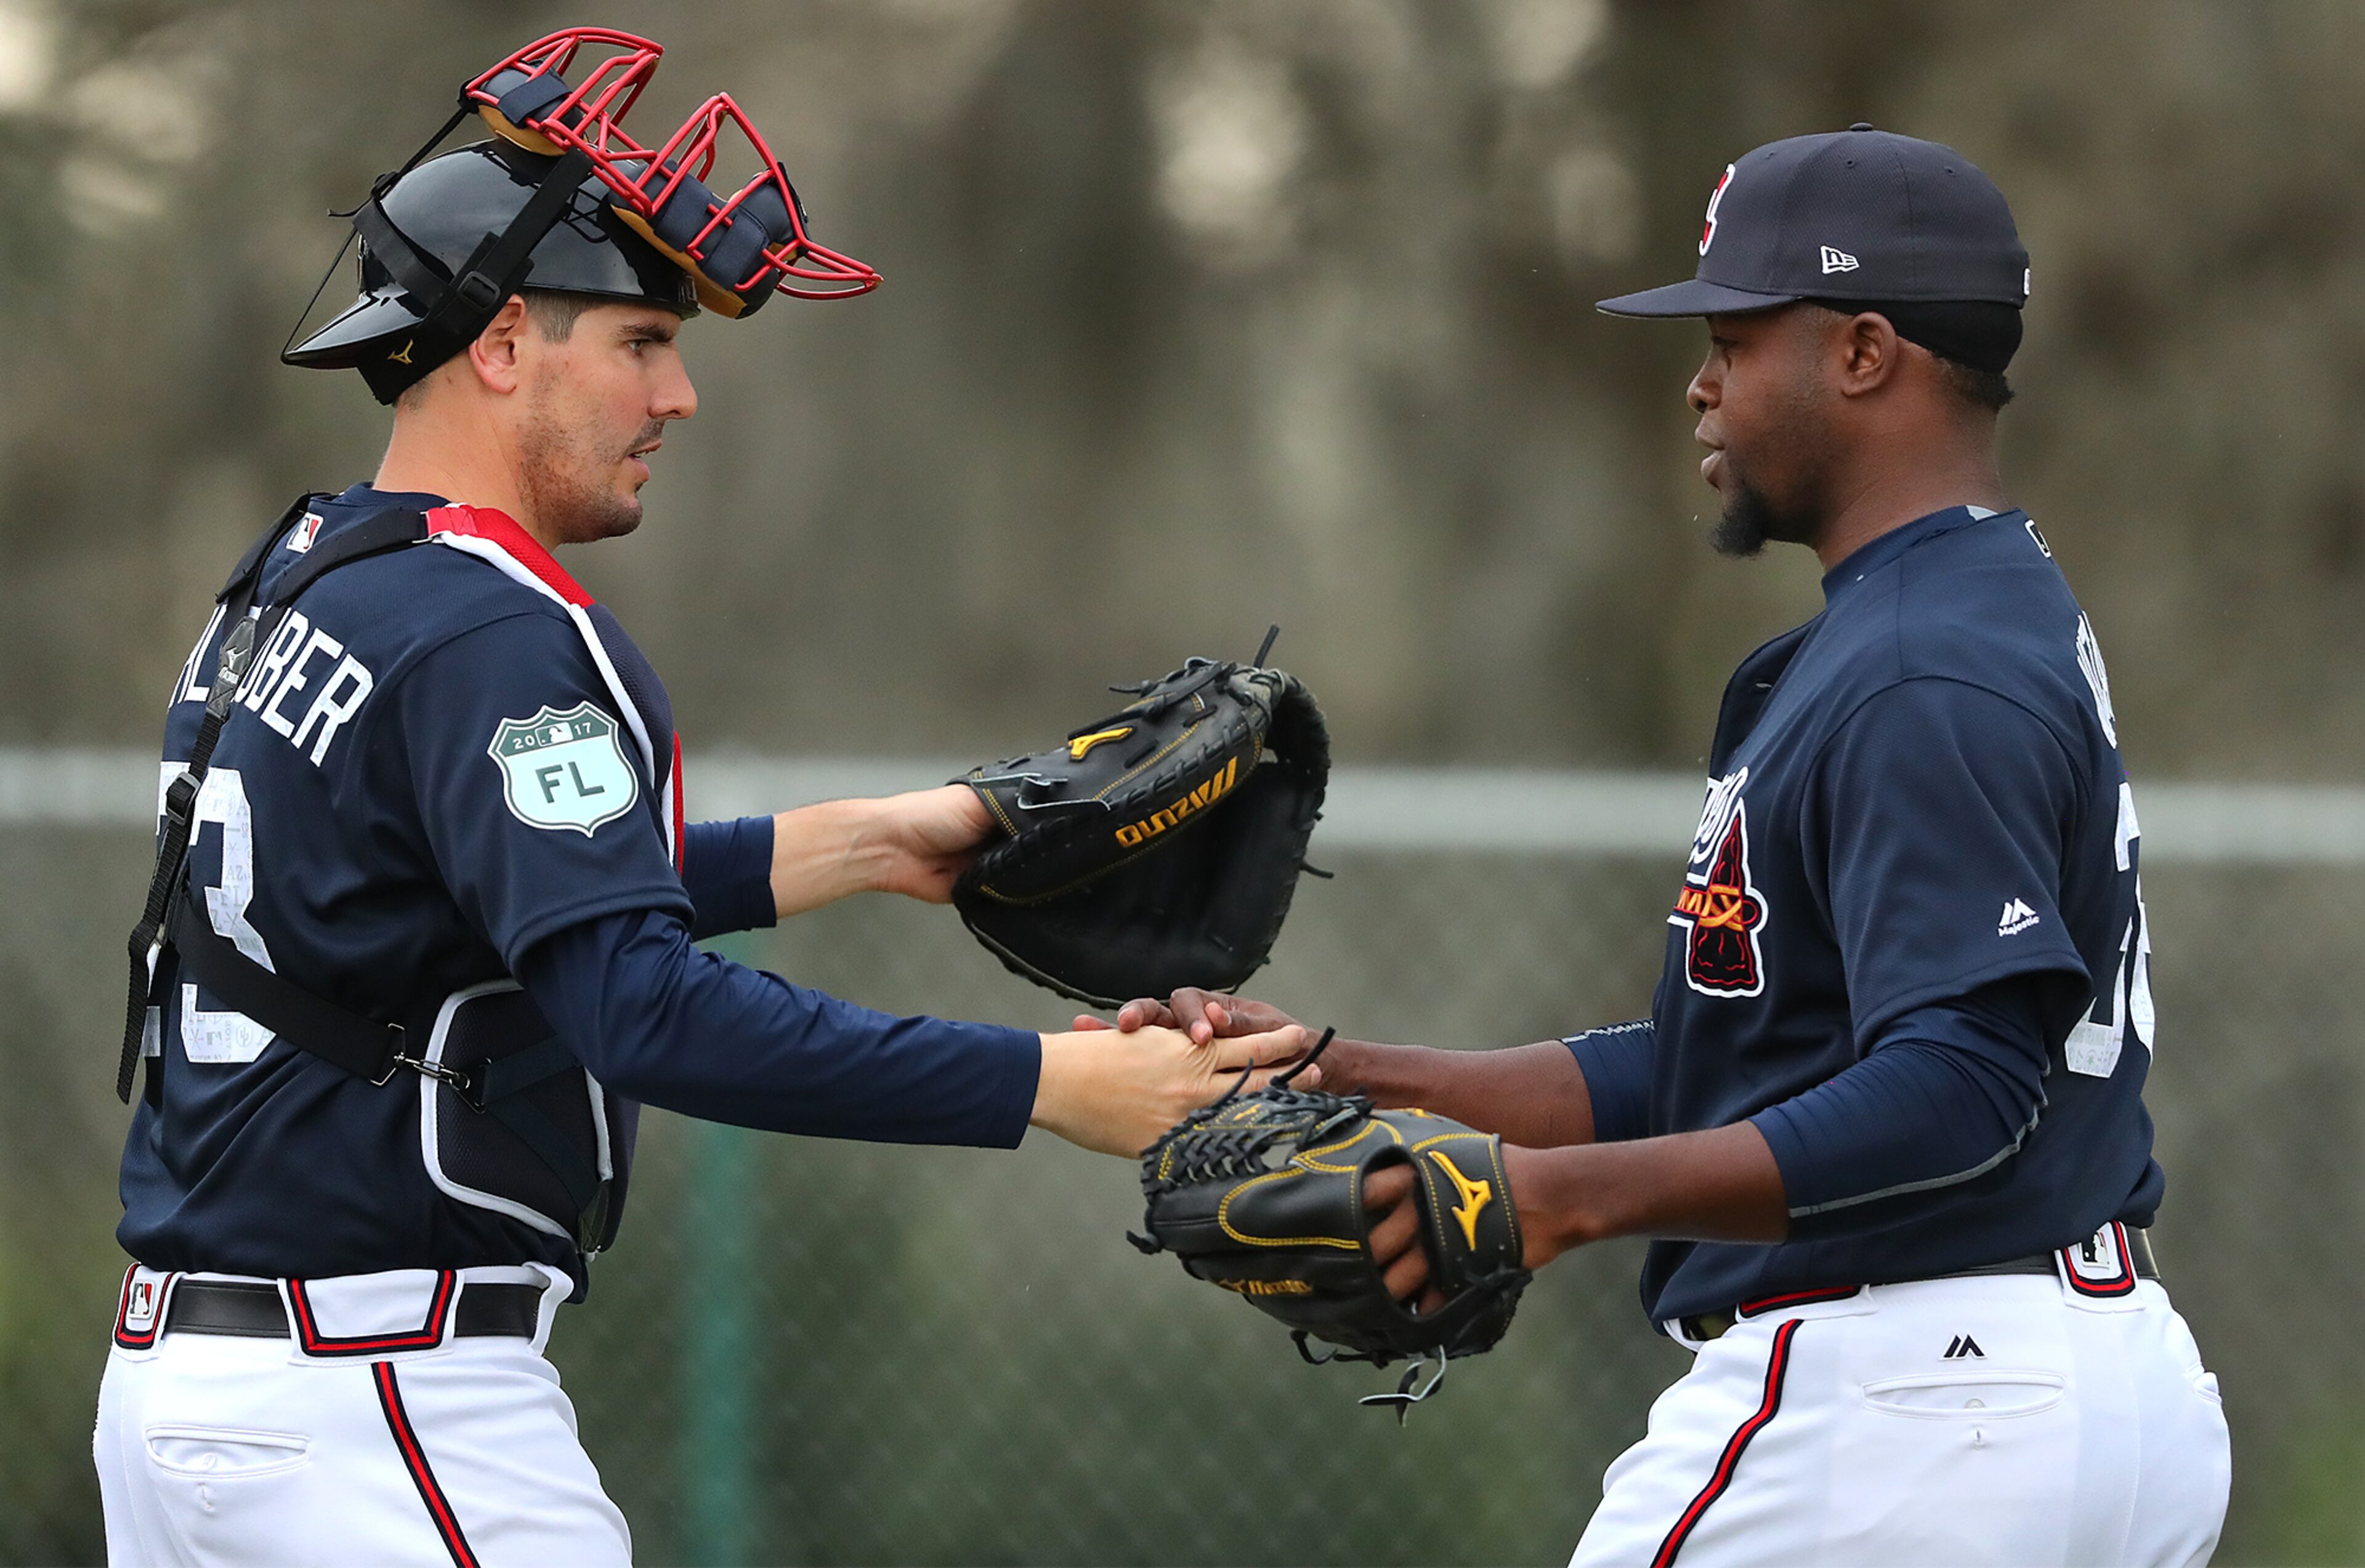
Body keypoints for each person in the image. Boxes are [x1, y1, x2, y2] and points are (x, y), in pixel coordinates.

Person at [95, 76, 1306, 1566]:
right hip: (383, 1403)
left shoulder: (306, 576)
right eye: (642, 343)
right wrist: (1049, 1083)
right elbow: (639, 1006)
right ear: (498, 346)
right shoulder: (498, 633)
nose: (677, 395)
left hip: (187, 1392)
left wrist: (868, 843)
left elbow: (470, 901)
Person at [1106, 128, 2231, 1566]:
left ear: (1866, 352)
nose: (1701, 382)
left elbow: (1961, 1082)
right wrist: (1350, 1067)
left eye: (1735, 336)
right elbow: (1745, 1063)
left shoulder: (1915, 669)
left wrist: (1558, 1201)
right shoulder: (1962, 615)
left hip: (1903, 1408)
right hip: (2072, 1381)